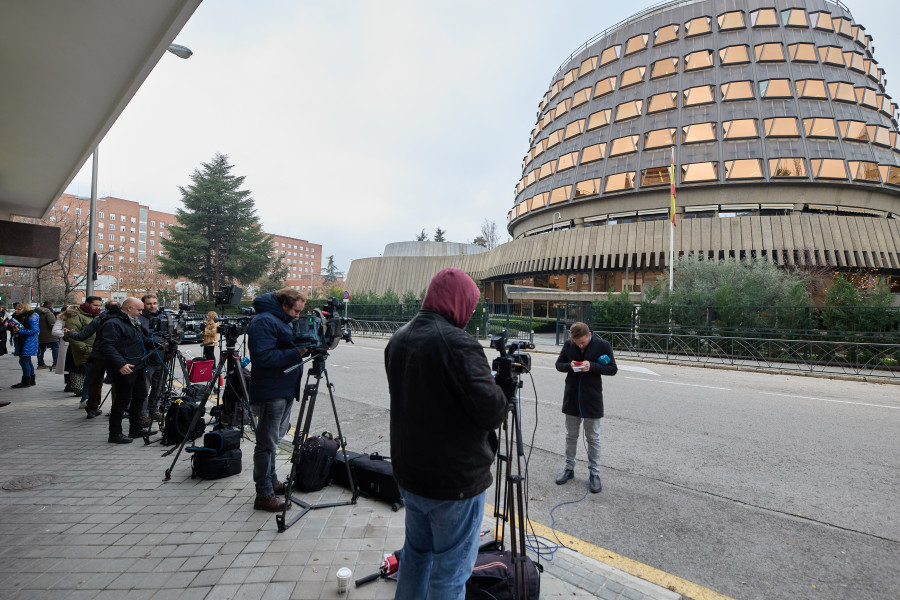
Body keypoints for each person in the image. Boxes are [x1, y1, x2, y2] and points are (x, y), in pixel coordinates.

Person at [385, 267, 509, 600]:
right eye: (470, 305)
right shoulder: (458, 344)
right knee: (451, 574)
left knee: (415, 557)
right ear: (458, 302)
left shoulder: (399, 338)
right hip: (453, 483)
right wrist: (504, 388)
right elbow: (493, 412)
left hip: (411, 475)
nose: (470, 314)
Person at [247, 287, 307, 512]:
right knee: (267, 443)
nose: (297, 316)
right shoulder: (264, 321)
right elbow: (262, 358)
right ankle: (263, 493)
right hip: (271, 389)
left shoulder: (280, 319)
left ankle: (271, 481)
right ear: (284, 305)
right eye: (295, 311)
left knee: (276, 438)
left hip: (284, 387)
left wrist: (306, 348)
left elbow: (287, 347)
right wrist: (297, 351)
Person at [554, 321, 618, 494]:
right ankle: (569, 469)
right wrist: (570, 366)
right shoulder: (568, 345)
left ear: (589, 334)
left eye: (582, 342)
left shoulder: (603, 345)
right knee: (571, 436)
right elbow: (558, 365)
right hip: (572, 396)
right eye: (577, 343)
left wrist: (592, 366)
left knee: (593, 438)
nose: (580, 345)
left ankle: (595, 474)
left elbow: (613, 369)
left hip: (592, 398)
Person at [93, 297, 156, 444]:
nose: (141, 313)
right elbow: (107, 346)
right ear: (129, 308)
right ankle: (115, 433)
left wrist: (160, 344)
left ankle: (136, 428)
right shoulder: (113, 323)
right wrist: (121, 364)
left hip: (138, 365)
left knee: (140, 396)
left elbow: (141, 340)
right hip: (124, 368)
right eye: (139, 310)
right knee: (122, 400)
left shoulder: (132, 321)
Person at [65, 301, 120, 418]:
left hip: (98, 354)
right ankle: (116, 409)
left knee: (95, 382)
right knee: (116, 382)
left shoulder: (99, 319)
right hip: (115, 355)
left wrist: (70, 333)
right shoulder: (123, 320)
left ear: (105, 308)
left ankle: (92, 408)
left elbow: (82, 336)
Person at [63, 296, 103, 407]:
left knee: (92, 376)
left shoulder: (98, 316)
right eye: (95, 305)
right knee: (91, 376)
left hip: (97, 351)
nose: (97, 308)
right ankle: (86, 399)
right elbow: (70, 335)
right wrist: (85, 349)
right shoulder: (76, 316)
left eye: (99, 305)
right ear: (87, 304)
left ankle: (87, 399)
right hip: (85, 351)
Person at [137, 294, 168, 422]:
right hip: (147, 358)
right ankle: (143, 414)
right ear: (143, 305)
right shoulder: (139, 318)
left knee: (159, 387)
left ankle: (155, 410)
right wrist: (159, 344)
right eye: (149, 304)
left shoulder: (164, 316)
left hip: (163, 358)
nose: (152, 306)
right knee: (144, 389)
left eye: (155, 303)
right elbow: (142, 339)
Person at [9, 303, 40, 388]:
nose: (16, 310)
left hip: (27, 342)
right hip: (24, 341)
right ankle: (31, 379)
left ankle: (26, 381)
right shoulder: (20, 317)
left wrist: (19, 331)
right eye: (16, 309)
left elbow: (34, 330)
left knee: (24, 361)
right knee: (26, 360)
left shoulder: (30, 318)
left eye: (19, 309)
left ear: (24, 310)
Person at [36, 301, 59, 370]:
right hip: (50, 335)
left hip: (39, 335)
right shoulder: (48, 313)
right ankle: (55, 364)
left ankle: (40, 364)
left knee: (40, 350)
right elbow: (53, 324)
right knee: (55, 348)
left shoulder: (36, 313)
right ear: (50, 306)